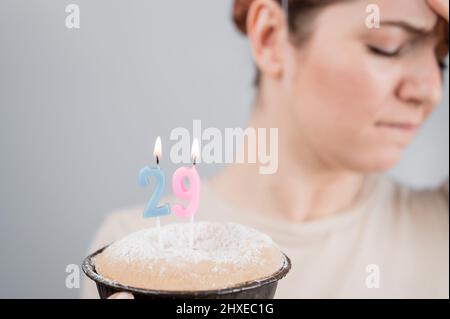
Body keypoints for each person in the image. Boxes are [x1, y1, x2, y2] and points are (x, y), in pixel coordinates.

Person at [83, 0, 449, 299]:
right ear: (270, 37)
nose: (431, 90)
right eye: (389, 46)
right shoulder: (128, 251)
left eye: (442, 59)